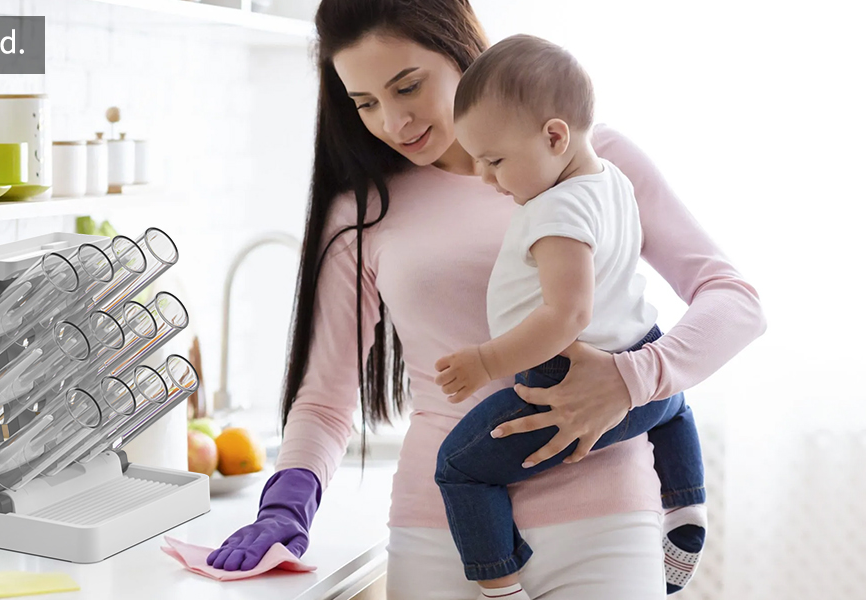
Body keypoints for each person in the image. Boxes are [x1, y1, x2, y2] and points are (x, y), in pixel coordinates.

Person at [205, 1, 766, 599]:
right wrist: (286, 507)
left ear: (457, 49)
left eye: (408, 86)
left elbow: (734, 301)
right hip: (441, 529)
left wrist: (633, 377)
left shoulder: (587, 160)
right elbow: (324, 399)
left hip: (603, 520)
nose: (394, 122)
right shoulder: (363, 212)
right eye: (366, 103)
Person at [431, 35, 704, 600]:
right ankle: (687, 506)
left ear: (555, 136)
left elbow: (567, 314)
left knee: (459, 467)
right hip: (641, 360)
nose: (484, 176)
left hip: (564, 384)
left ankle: (500, 585)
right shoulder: (613, 182)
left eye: (495, 160)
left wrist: (486, 361)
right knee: (672, 406)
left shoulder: (556, 209)